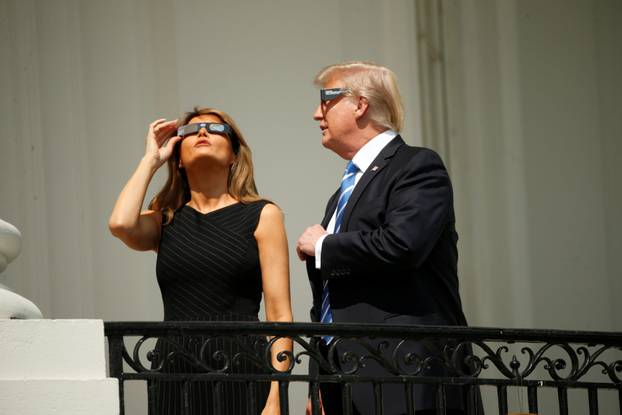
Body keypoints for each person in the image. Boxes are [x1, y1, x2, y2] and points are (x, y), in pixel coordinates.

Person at [297, 61, 479, 415]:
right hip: (342, 378)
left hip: (402, 373)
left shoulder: (416, 166)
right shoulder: (343, 193)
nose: (315, 114)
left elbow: (403, 244)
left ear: (360, 104)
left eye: (325, 99)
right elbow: (327, 301)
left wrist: (323, 246)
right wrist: (318, 380)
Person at [109, 107, 292, 415]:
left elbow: (280, 314)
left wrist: (276, 395)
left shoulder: (263, 214)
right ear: (178, 158)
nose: (203, 132)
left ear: (234, 154)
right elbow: (120, 225)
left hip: (242, 366)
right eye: (191, 131)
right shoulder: (166, 219)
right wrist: (150, 161)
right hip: (174, 368)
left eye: (215, 129)